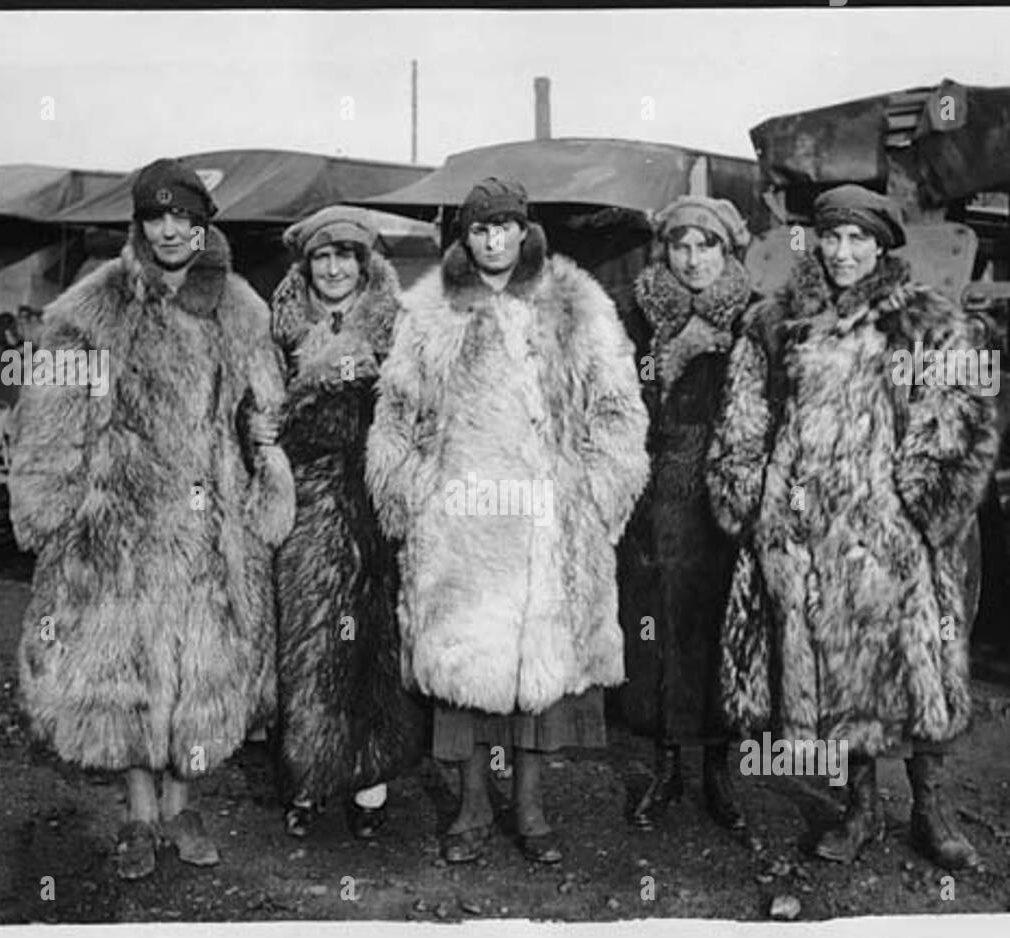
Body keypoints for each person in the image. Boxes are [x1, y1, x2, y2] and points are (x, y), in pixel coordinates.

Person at [8, 158, 296, 880]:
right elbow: (50, 420)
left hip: (208, 529)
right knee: (126, 667)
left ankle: (183, 804)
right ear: (138, 223)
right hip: (120, 532)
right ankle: (139, 815)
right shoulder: (89, 310)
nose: (171, 230)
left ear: (204, 225)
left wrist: (261, 447)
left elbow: (263, 405)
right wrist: (51, 509)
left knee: (200, 669)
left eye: (185, 218)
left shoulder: (241, 308)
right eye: (157, 217)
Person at [706, 183, 998, 869]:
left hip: (889, 533)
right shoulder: (776, 322)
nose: (842, 252)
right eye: (831, 237)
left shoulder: (928, 322)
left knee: (918, 662)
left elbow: (957, 418)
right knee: (839, 670)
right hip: (806, 532)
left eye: (857, 239)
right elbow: (743, 415)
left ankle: (932, 806)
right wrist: (751, 499)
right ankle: (860, 808)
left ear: (881, 245)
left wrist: (920, 511)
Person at [366, 177, 649, 865]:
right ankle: (468, 806)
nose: (493, 241)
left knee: (537, 670)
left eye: (505, 227)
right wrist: (415, 501)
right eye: (480, 229)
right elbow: (397, 415)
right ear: (464, 237)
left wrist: (595, 499)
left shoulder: (575, 303)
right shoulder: (429, 310)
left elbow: (618, 408)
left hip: (546, 528)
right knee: (465, 669)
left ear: (525, 231)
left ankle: (528, 805)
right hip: (460, 530)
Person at [265, 206, 428, 839]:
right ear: (306, 266)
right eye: (322, 258)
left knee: (370, 640)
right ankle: (306, 778)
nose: (333, 269)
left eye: (346, 256)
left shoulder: (396, 326)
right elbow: (257, 406)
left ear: (365, 264)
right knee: (305, 640)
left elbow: (420, 408)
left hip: (372, 501)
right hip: (305, 504)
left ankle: (370, 780)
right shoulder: (278, 326)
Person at [615, 196, 755, 833]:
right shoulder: (636, 318)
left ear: (729, 253)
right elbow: (620, 398)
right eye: (681, 245)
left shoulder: (753, 320)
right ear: (664, 252)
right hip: (650, 499)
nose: (693, 259)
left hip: (719, 499)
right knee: (655, 633)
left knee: (719, 627)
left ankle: (718, 772)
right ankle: (666, 767)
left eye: (708, 246)